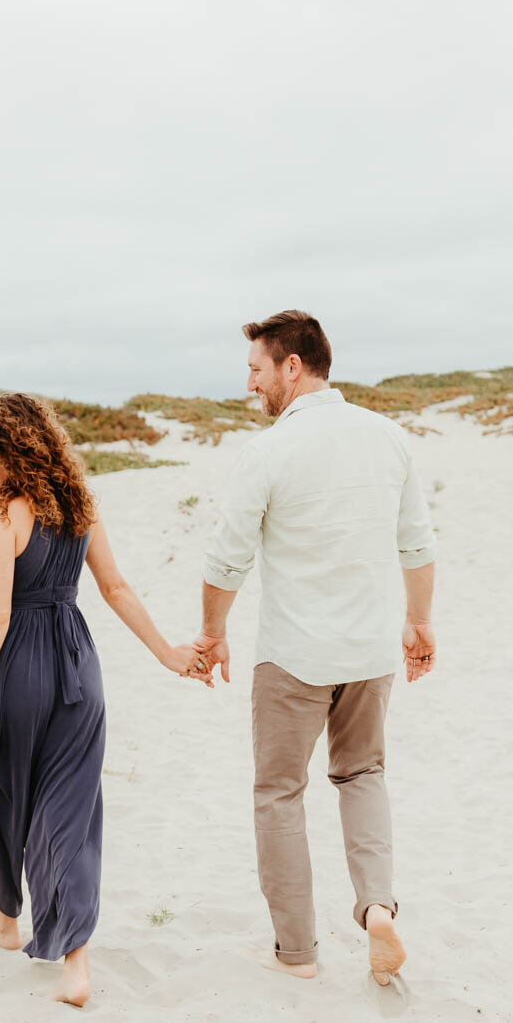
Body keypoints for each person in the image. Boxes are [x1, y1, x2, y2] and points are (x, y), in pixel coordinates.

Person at [190, 309, 438, 985]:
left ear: (291, 365)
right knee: (363, 774)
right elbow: (417, 543)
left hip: (293, 654)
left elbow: (225, 560)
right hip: (368, 652)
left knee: (279, 792)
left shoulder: (270, 450)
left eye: (255, 367)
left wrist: (212, 633)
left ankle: (296, 952)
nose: (249, 382)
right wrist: (418, 621)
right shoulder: (389, 438)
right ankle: (379, 907)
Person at [0, 392, 200, 1008]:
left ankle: (5, 921)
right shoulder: (78, 502)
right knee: (71, 813)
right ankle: (75, 963)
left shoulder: (7, 508)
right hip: (78, 667)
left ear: (7, 446)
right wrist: (168, 653)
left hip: (19, 668)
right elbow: (114, 586)